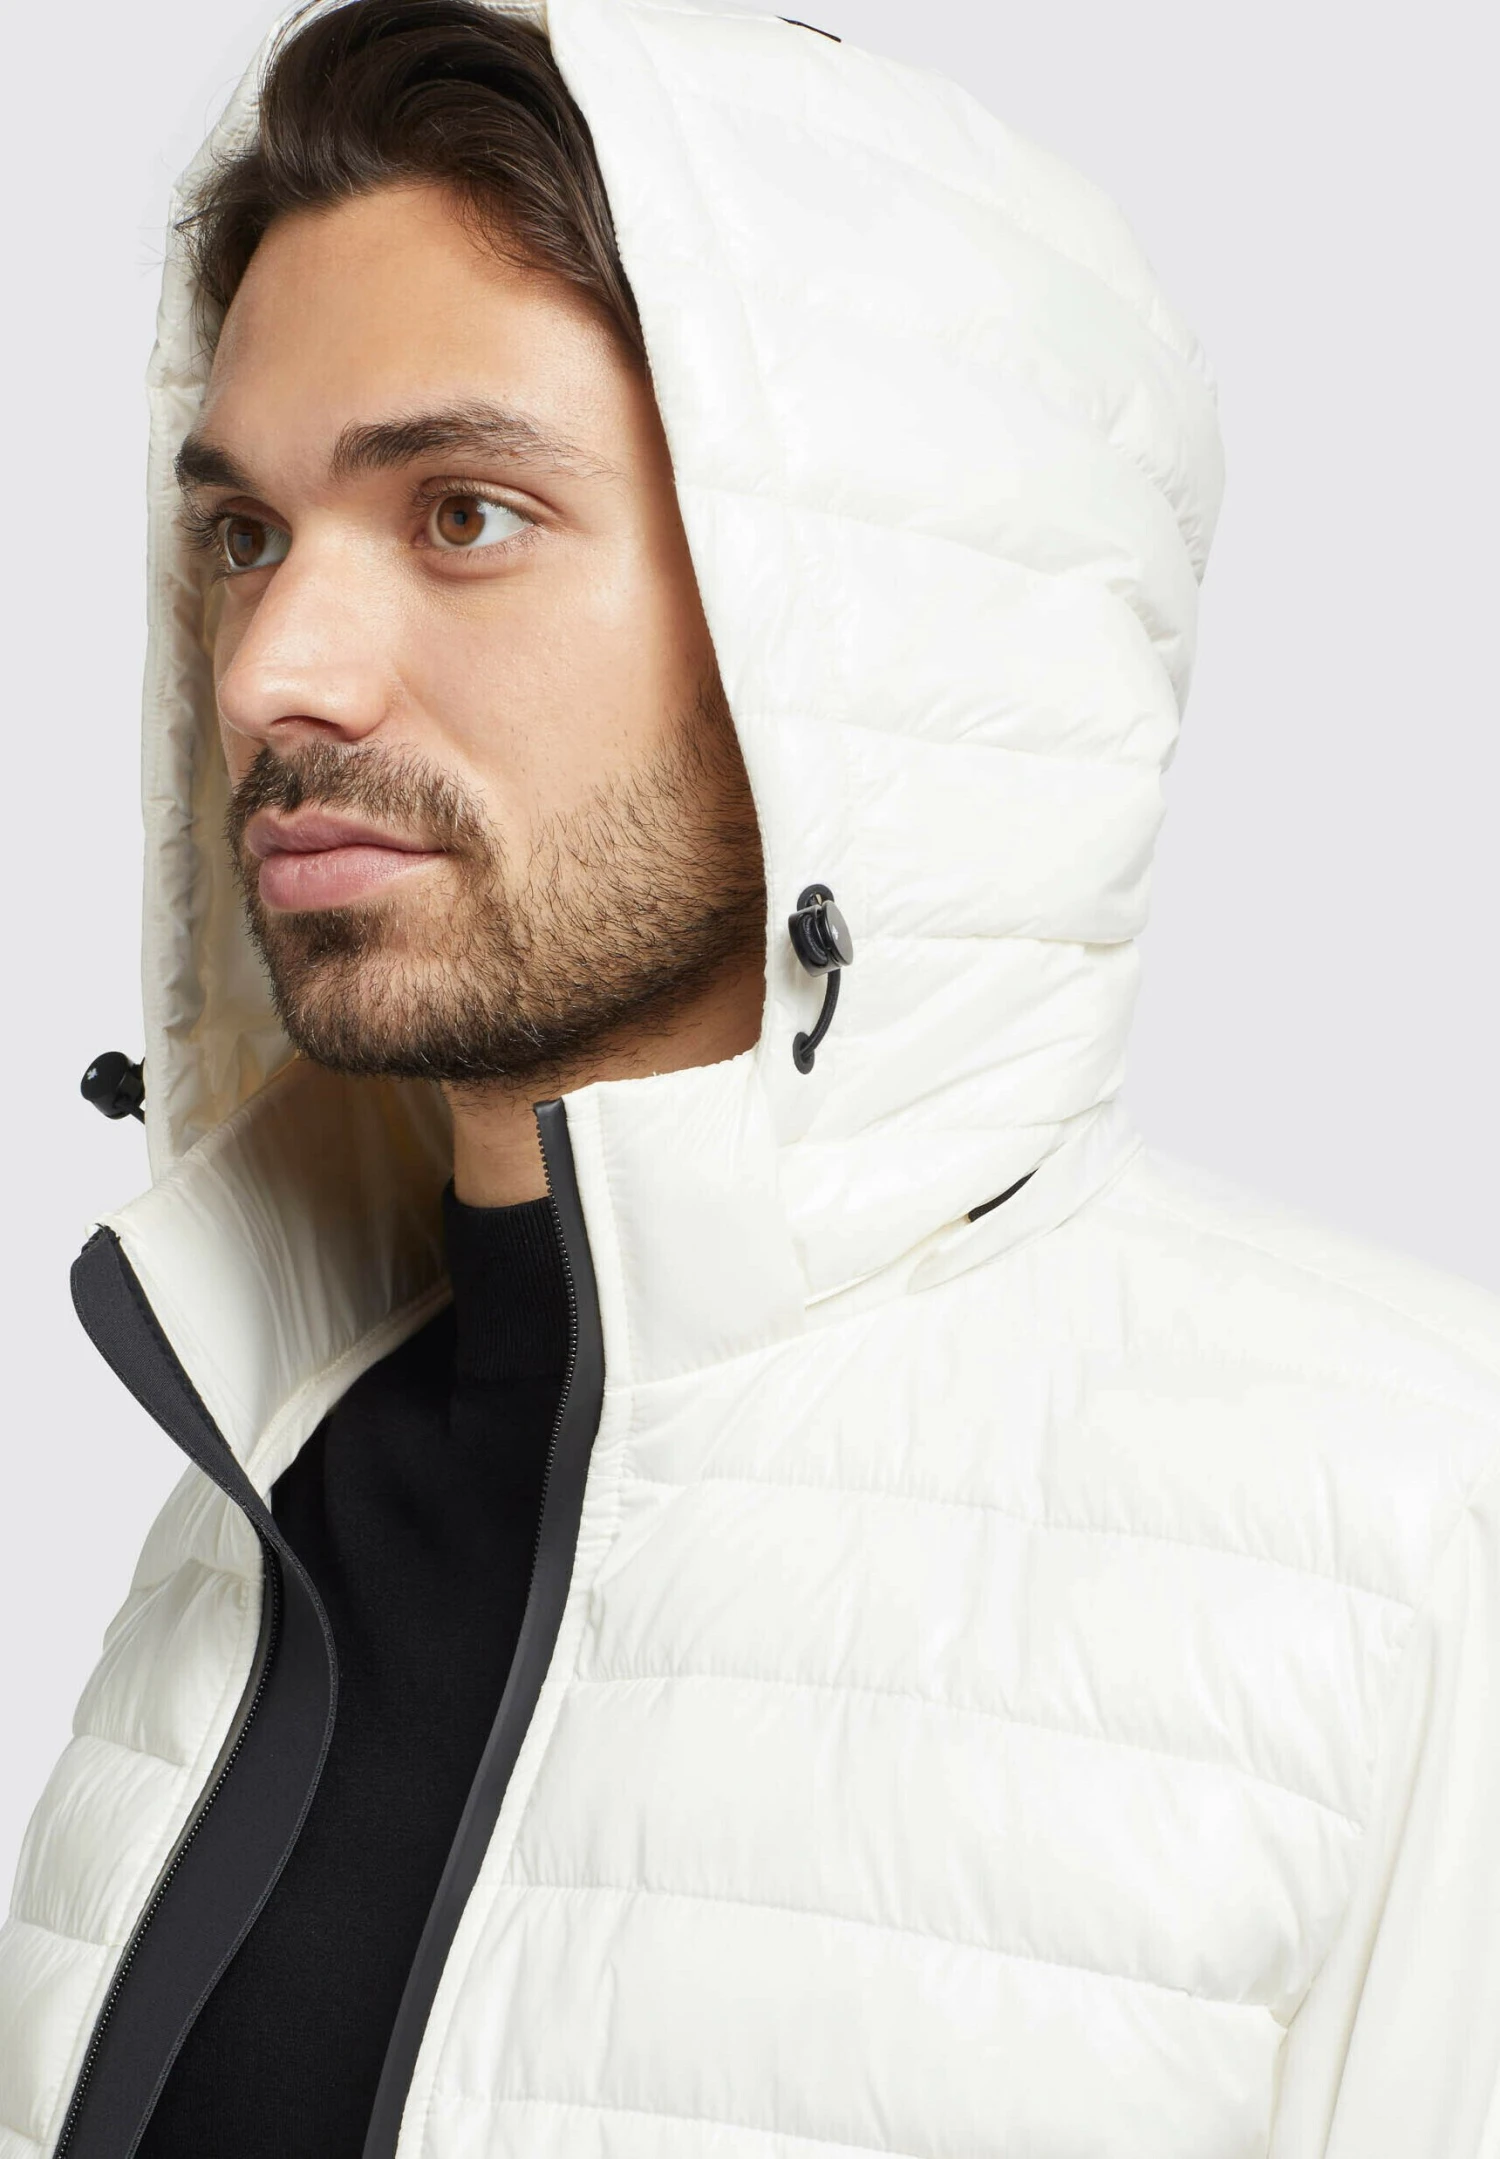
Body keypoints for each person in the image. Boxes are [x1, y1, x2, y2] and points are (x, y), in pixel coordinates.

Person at [4, 0, 1499, 2153]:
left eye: (463, 514)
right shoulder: (245, 1495)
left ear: (854, 629)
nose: (273, 673)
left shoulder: (1408, 1523)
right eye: (246, 535)